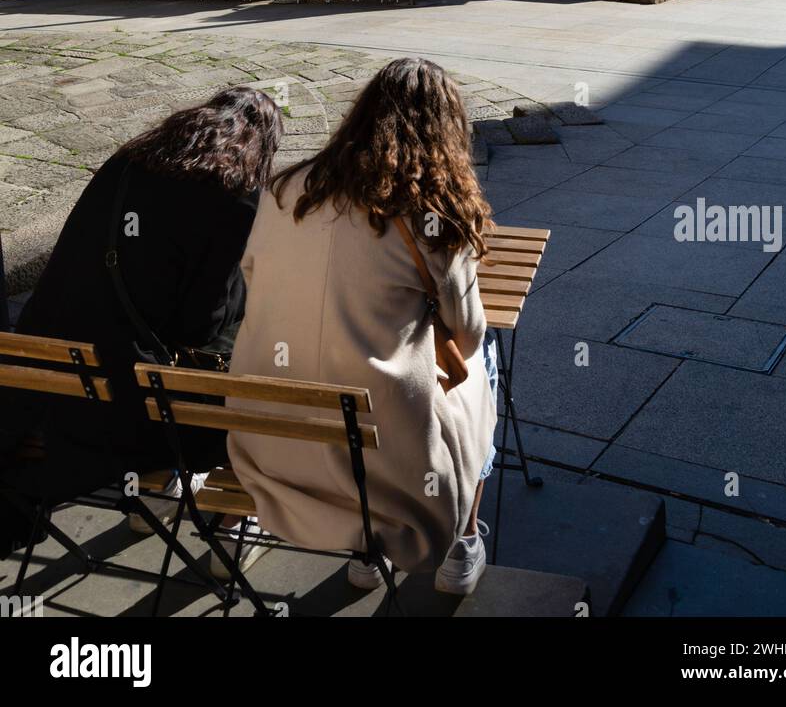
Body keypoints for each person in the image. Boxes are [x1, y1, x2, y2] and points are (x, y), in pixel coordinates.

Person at [228, 58, 498, 594]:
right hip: (388, 463)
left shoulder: (286, 189)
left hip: (275, 444)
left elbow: (253, 278)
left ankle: (365, 556)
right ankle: (462, 544)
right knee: (486, 366)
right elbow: (467, 336)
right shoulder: (431, 212)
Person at [1, 90, 283, 557]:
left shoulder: (130, 160)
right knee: (246, 377)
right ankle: (225, 522)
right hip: (123, 415)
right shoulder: (238, 195)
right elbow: (200, 325)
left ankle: (160, 490)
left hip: (42, 392)